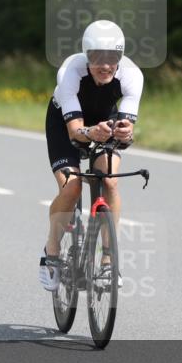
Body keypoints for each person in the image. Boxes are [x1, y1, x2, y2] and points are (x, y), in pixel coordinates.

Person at [39, 20, 142, 291]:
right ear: (87, 56)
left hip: (104, 120)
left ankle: (108, 262)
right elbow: (75, 132)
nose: (106, 65)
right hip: (65, 123)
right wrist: (90, 132)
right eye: (98, 58)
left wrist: (124, 133)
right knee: (72, 187)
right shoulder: (70, 71)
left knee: (109, 181)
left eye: (113, 58)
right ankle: (51, 252)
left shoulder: (132, 75)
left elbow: (129, 128)